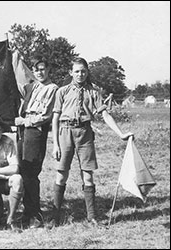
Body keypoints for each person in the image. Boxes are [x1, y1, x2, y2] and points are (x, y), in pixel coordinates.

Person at [51, 57, 134, 227]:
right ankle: (55, 216)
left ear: (87, 72)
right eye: (76, 71)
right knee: (61, 174)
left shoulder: (94, 92)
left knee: (87, 175)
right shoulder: (62, 91)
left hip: (85, 133)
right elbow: (55, 118)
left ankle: (92, 217)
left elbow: (105, 115)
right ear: (71, 72)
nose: (80, 74)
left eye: (83, 71)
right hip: (65, 132)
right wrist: (55, 144)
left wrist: (121, 134)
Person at [14, 56, 58, 228]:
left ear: (48, 70)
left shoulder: (53, 89)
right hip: (22, 130)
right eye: (36, 69)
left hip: (35, 130)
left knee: (31, 173)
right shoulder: (32, 87)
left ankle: (35, 214)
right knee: (23, 171)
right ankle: (26, 212)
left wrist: (25, 122)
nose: (40, 72)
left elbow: (46, 115)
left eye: (43, 69)